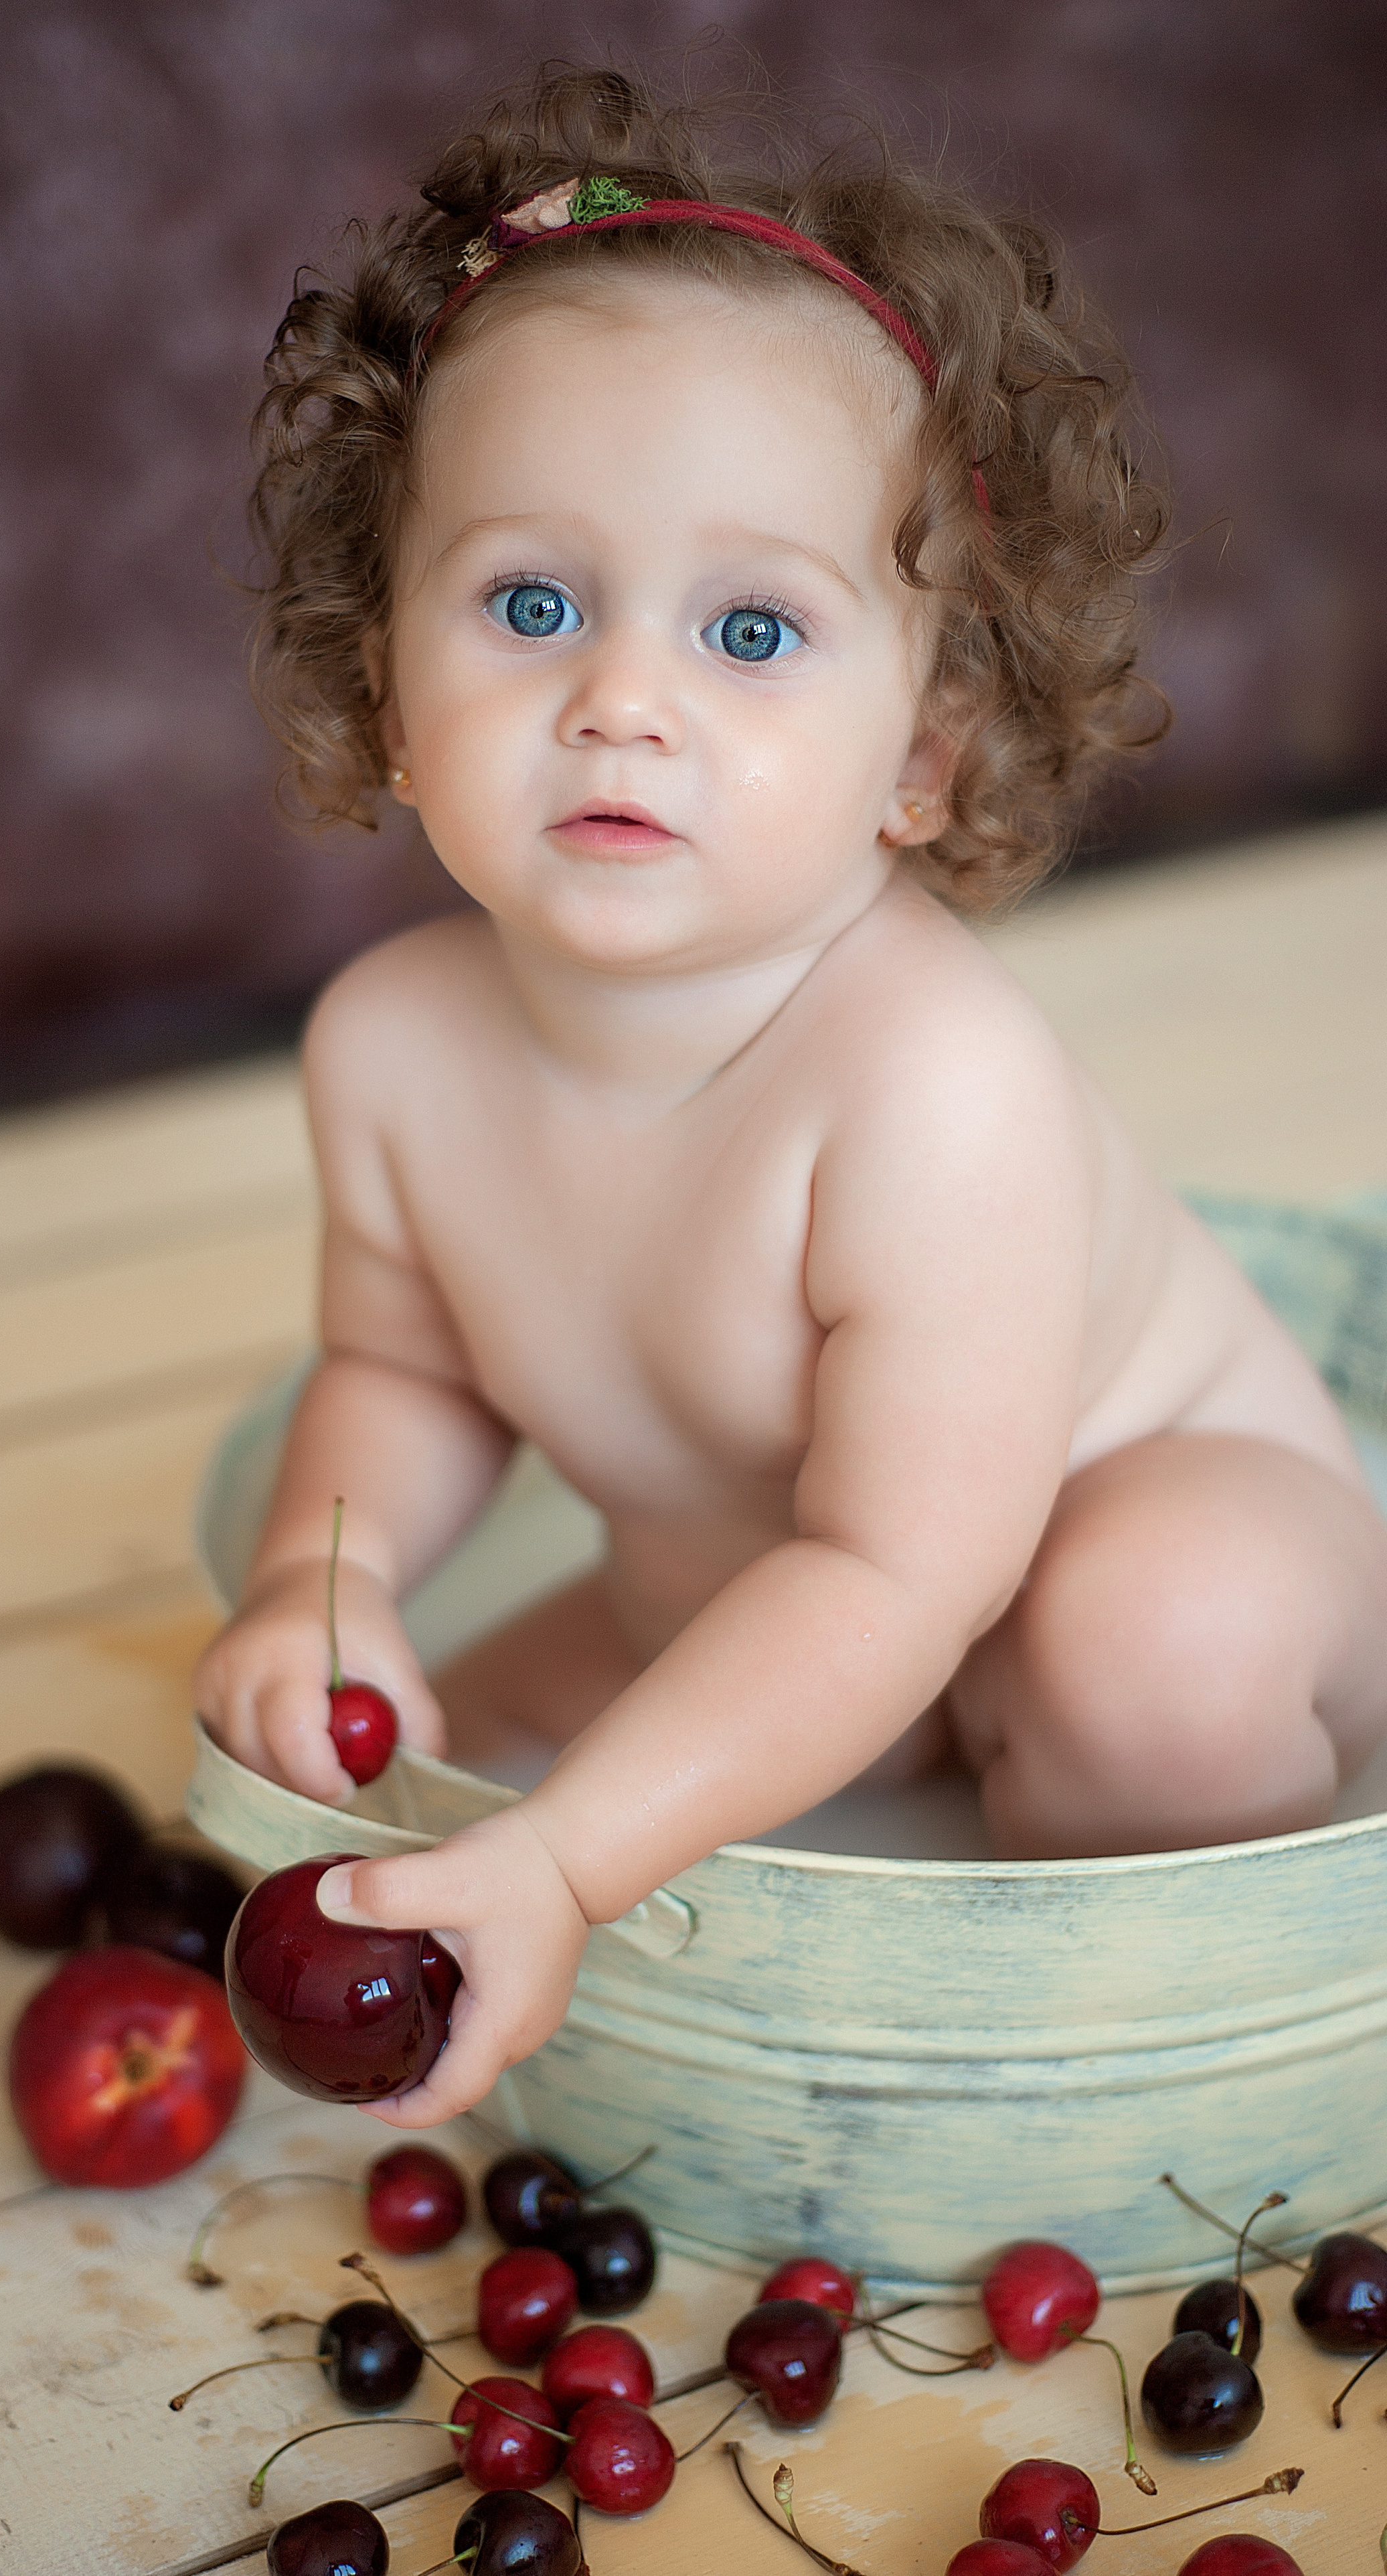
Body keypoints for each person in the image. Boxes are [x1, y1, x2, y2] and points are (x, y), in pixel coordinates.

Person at [195, 65, 1387, 2127]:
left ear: (925, 755)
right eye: (532, 603)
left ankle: (1154, 2077)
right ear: (389, 689)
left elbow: (900, 1573)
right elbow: (409, 1379)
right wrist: (343, 1580)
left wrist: (576, 1860)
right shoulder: (387, 1049)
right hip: (760, 1595)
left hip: (1087, 1544)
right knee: (418, 1759)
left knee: (1150, 1645)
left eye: (753, 627)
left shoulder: (932, 1089)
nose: (621, 698)